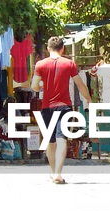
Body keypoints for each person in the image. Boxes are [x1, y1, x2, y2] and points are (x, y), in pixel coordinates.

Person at [29, 36, 92, 184]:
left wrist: (41, 87)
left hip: (47, 107)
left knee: (50, 141)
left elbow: (34, 86)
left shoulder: (40, 64)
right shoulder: (69, 64)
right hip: (64, 106)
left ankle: (53, 173)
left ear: (48, 48)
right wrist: (88, 98)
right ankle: (58, 173)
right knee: (62, 139)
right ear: (62, 49)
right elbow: (80, 84)